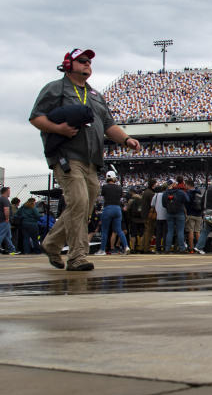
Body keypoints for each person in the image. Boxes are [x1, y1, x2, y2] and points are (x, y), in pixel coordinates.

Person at [30, 48, 141, 270]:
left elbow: (109, 125)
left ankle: (51, 244)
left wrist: (126, 139)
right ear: (68, 64)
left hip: (92, 160)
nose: (87, 64)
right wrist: (58, 129)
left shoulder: (95, 96)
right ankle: (77, 256)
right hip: (67, 156)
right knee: (78, 203)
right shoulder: (55, 89)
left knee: (82, 207)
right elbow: (36, 117)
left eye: (89, 61)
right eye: (82, 61)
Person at [97, 171, 130, 255]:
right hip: (117, 209)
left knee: (105, 230)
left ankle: (102, 250)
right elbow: (120, 196)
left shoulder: (105, 187)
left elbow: (103, 195)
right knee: (119, 230)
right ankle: (126, 246)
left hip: (108, 208)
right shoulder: (119, 187)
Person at [0, 186, 17, 255]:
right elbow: (6, 209)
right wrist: (7, 218)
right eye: (9, 191)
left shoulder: (0, 199)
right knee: (0, 235)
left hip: (1, 220)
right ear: (6, 191)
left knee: (7, 236)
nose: (10, 192)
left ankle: (12, 250)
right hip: (4, 220)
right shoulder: (5, 199)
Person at [162, 179, 188, 253]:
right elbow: (187, 200)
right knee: (180, 231)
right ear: (173, 184)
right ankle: (182, 248)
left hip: (169, 213)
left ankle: (167, 248)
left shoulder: (165, 193)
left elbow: (163, 204)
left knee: (170, 231)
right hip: (180, 212)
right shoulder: (180, 192)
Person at [137, 178, 157, 253]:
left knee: (145, 232)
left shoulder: (146, 192)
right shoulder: (151, 193)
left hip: (144, 214)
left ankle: (142, 247)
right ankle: (146, 248)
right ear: (153, 184)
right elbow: (153, 205)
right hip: (149, 215)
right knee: (149, 232)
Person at [185, 179, 203, 252]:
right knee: (197, 232)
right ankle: (199, 248)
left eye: (186, 185)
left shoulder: (188, 193)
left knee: (191, 231)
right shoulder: (199, 192)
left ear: (189, 185)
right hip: (199, 214)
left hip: (190, 214)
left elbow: (186, 203)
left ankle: (191, 248)